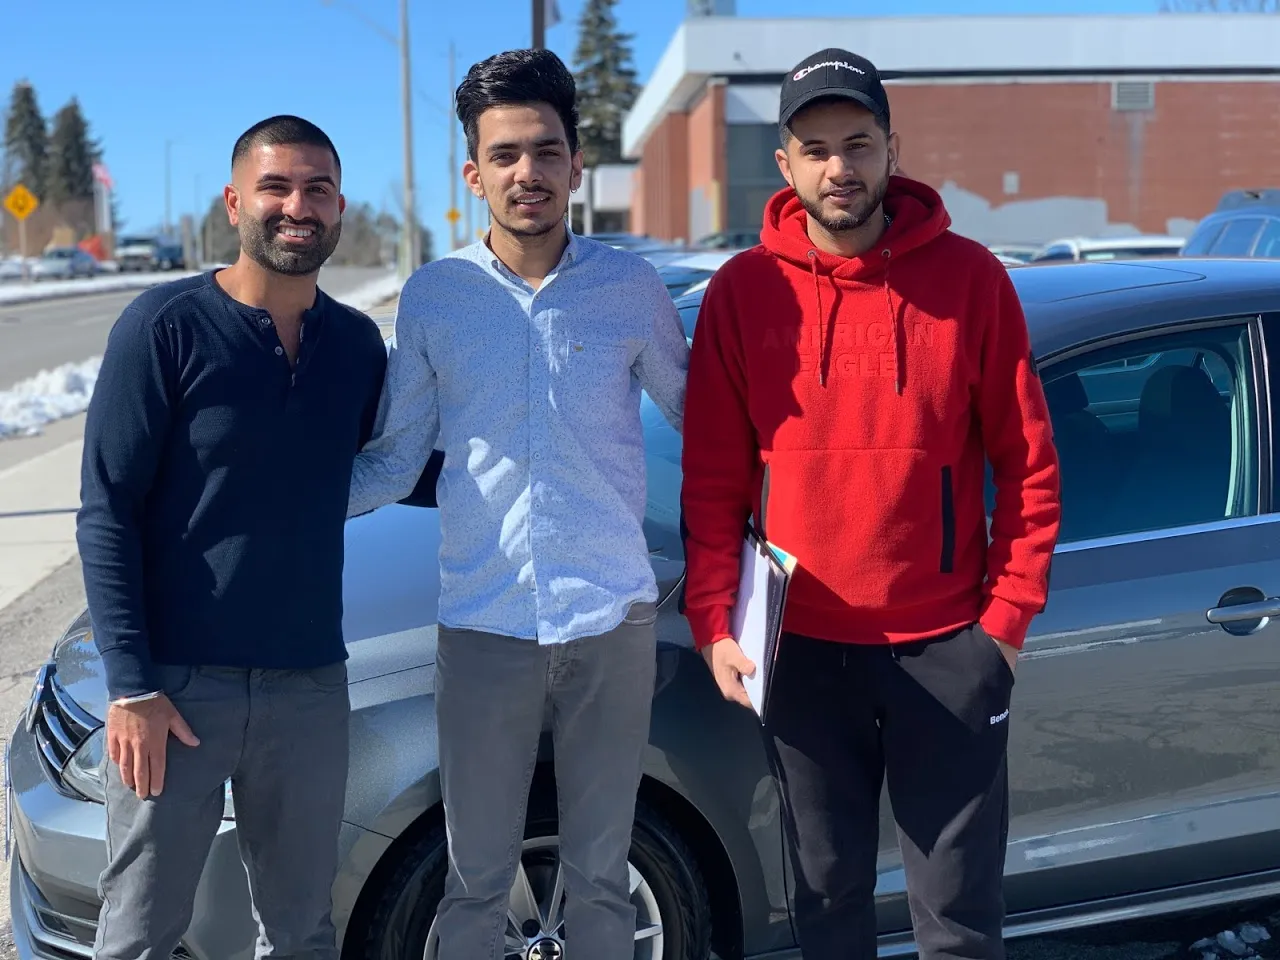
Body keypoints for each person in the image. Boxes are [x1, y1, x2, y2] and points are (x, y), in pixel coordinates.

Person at [680, 48, 1062, 960]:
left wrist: (1005, 625)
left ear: (893, 149)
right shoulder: (743, 292)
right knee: (826, 909)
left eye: (857, 143)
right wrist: (713, 621)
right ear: (785, 165)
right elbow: (713, 479)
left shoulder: (971, 281)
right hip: (802, 655)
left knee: (959, 923)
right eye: (815, 149)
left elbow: (1029, 465)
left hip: (947, 650)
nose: (838, 167)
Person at [346, 49, 689, 960]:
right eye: (504, 155)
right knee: (473, 883)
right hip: (483, 629)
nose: (525, 172)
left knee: (602, 877)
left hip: (610, 622)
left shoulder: (630, 289)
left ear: (576, 164)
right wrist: (270, 510)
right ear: (474, 174)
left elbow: (703, 419)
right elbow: (395, 460)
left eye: (545, 151)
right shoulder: (436, 298)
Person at [76, 115, 387, 960]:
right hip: (177, 692)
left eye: (317, 189)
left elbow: (406, 466)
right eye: (275, 187)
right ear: (234, 202)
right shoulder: (164, 327)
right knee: (141, 932)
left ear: (340, 206)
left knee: (301, 934)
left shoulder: (355, 346)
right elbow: (107, 510)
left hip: (309, 687)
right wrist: (132, 685)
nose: (298, 207)